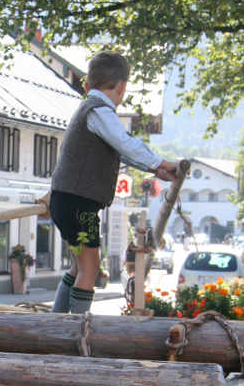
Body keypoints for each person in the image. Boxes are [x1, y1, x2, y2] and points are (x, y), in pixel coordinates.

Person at [50, 50, 179, 315]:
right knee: (90, 268)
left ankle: (56, 322)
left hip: (65, 200)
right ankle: (75, 333)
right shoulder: (99, 111)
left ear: (87, 85)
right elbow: (125, 143)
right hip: (79, 204)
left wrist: (155, 170)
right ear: (122, 87)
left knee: (77, 267)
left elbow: (121, 150)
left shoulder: (89, 108)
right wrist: (162, 164)